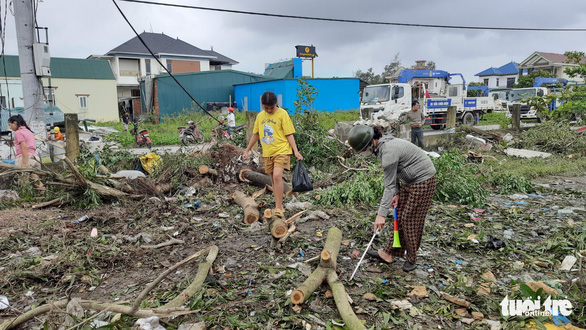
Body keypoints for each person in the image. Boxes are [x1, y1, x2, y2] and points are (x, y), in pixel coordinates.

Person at [347, 125, 436, 272]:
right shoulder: (382, 146)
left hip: (423, 180)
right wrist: (397, 193)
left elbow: (388, 185)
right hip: (409, 181)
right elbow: (393, 176)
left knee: (409, 219)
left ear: (370, 142)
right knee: (399, 216)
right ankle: (388, 253)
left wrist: (380, 215)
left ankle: (412, 259)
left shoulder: (388, 151)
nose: (364, 153)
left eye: (363, 150)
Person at [242, 91, 303, 218]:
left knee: (277, 176)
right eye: (266, 108)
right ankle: (277, 205)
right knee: (273, 181)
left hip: (282, 150)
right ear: (262, 106)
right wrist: (247, 150)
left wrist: (295, 151)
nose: (269, 110)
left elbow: (289, 134)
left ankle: (279, 208)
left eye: (272, 107)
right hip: (268, 152)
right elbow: (256, 134)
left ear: (276, 104)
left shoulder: (282, 114)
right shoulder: (260, 116)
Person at [8, 115, 44, 191]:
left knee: (23, 182)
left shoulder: (18, 132)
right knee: (35, 179)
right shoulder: (28, 131)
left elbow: (24, 148)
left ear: (14, 123)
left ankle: (24, 199)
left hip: (25, 158)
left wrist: (24, 163)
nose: (10, 127)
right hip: (34, 158)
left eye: (10, 125)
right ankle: (44, 193)